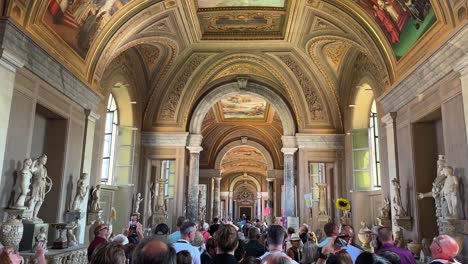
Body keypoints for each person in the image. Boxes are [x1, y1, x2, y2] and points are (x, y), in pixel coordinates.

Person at [27, 154, 53, 221]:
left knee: (40, 201)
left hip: (42, 186)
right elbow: (31, 170)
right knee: (34, 200)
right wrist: (34, 162)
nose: (45, 161)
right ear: (40, 159)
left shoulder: (44, 169)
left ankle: (34, 216)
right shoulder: (37, 167)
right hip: (36, 185)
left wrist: (48, 184)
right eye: (44, 159)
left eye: (46, 160)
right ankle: (29, 216)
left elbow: (44, 178)